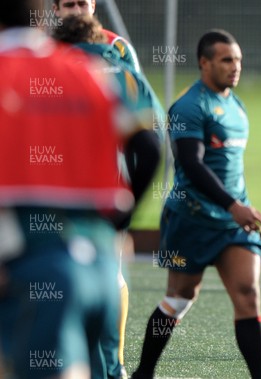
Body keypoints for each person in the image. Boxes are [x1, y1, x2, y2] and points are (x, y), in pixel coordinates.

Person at [0, 1, 159, 378]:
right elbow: (149, 146)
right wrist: (123, 218)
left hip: (37, 265)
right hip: (102, 264)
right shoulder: (91, 73)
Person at [131, 30, 261, 379]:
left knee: (248, 295)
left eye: (237, 59)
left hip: (232, 224)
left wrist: (237, 209)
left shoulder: (236, 106)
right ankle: (144, 372)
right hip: (190, 220)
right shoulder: (189, 106)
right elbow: (192, 164)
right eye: (226, 60)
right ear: (204, 63)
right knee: (179, 298)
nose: (235, 67)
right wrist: (233, 205)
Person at [52, 14, 164, 379]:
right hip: (106, 201)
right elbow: (152, 142)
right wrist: (125, 213)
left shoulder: (49, 69)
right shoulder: (124, 69)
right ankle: (111, 368)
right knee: (109, 281)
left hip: (43, 201)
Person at [52, 0, 141, 72]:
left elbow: (137, 90)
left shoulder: (117, 46)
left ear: (93, 6)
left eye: (82, 4)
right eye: (69, 5)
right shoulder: (47, 49)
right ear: (56, 10)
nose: (77, 11)